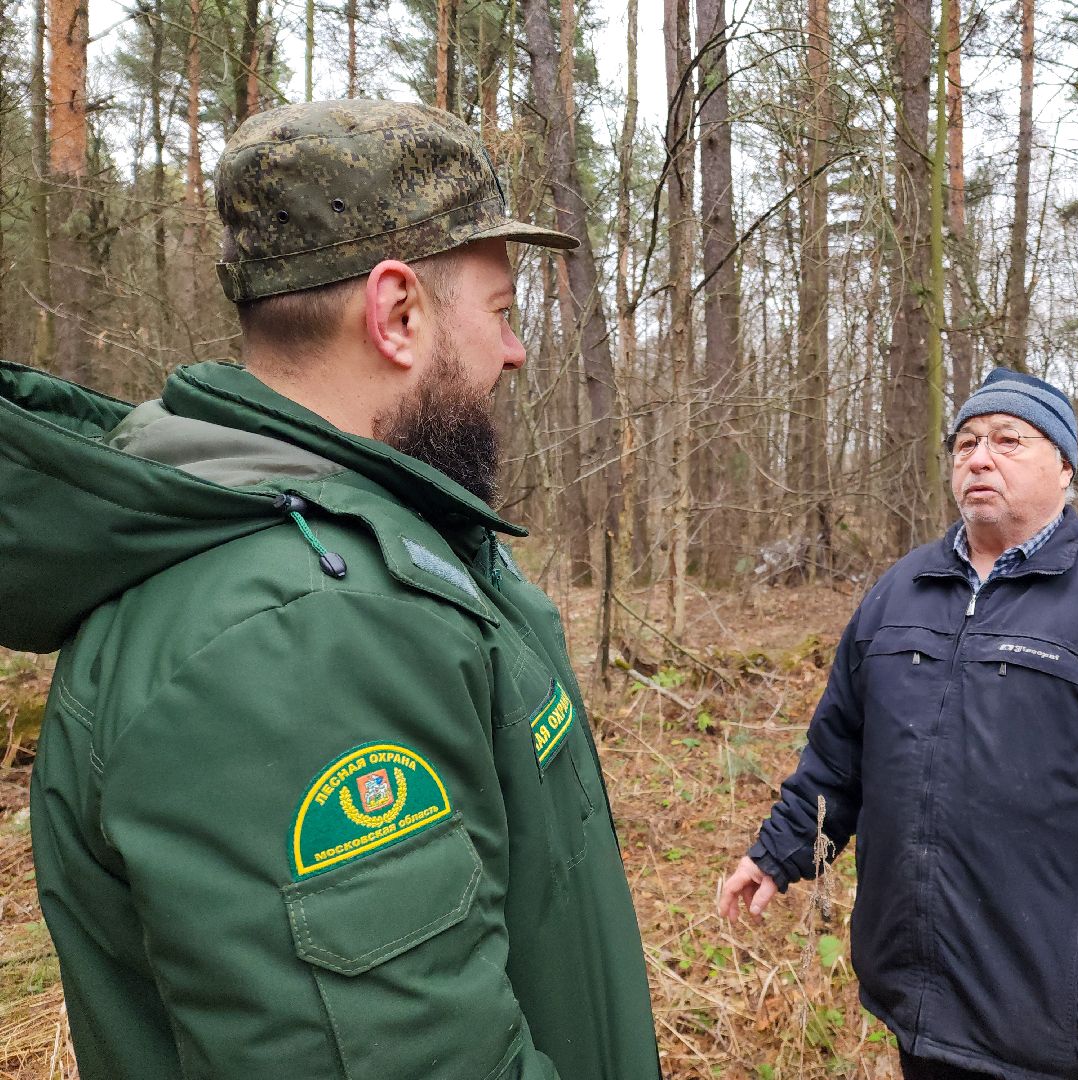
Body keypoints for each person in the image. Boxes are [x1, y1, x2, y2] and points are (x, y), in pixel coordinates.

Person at [1, 100, 661, 1079]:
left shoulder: (371, 544)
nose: (514, 352)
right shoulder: (297, 634)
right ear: (398, 315)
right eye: (500, 312)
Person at [720, 369, 1078, 1080]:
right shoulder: (899, 593)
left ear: (1064, 467)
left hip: (1056, 1019)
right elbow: (839, 755)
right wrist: (780, 850)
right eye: (966, 443)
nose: (979, 458)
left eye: (1009, 440)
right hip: (917, 999)